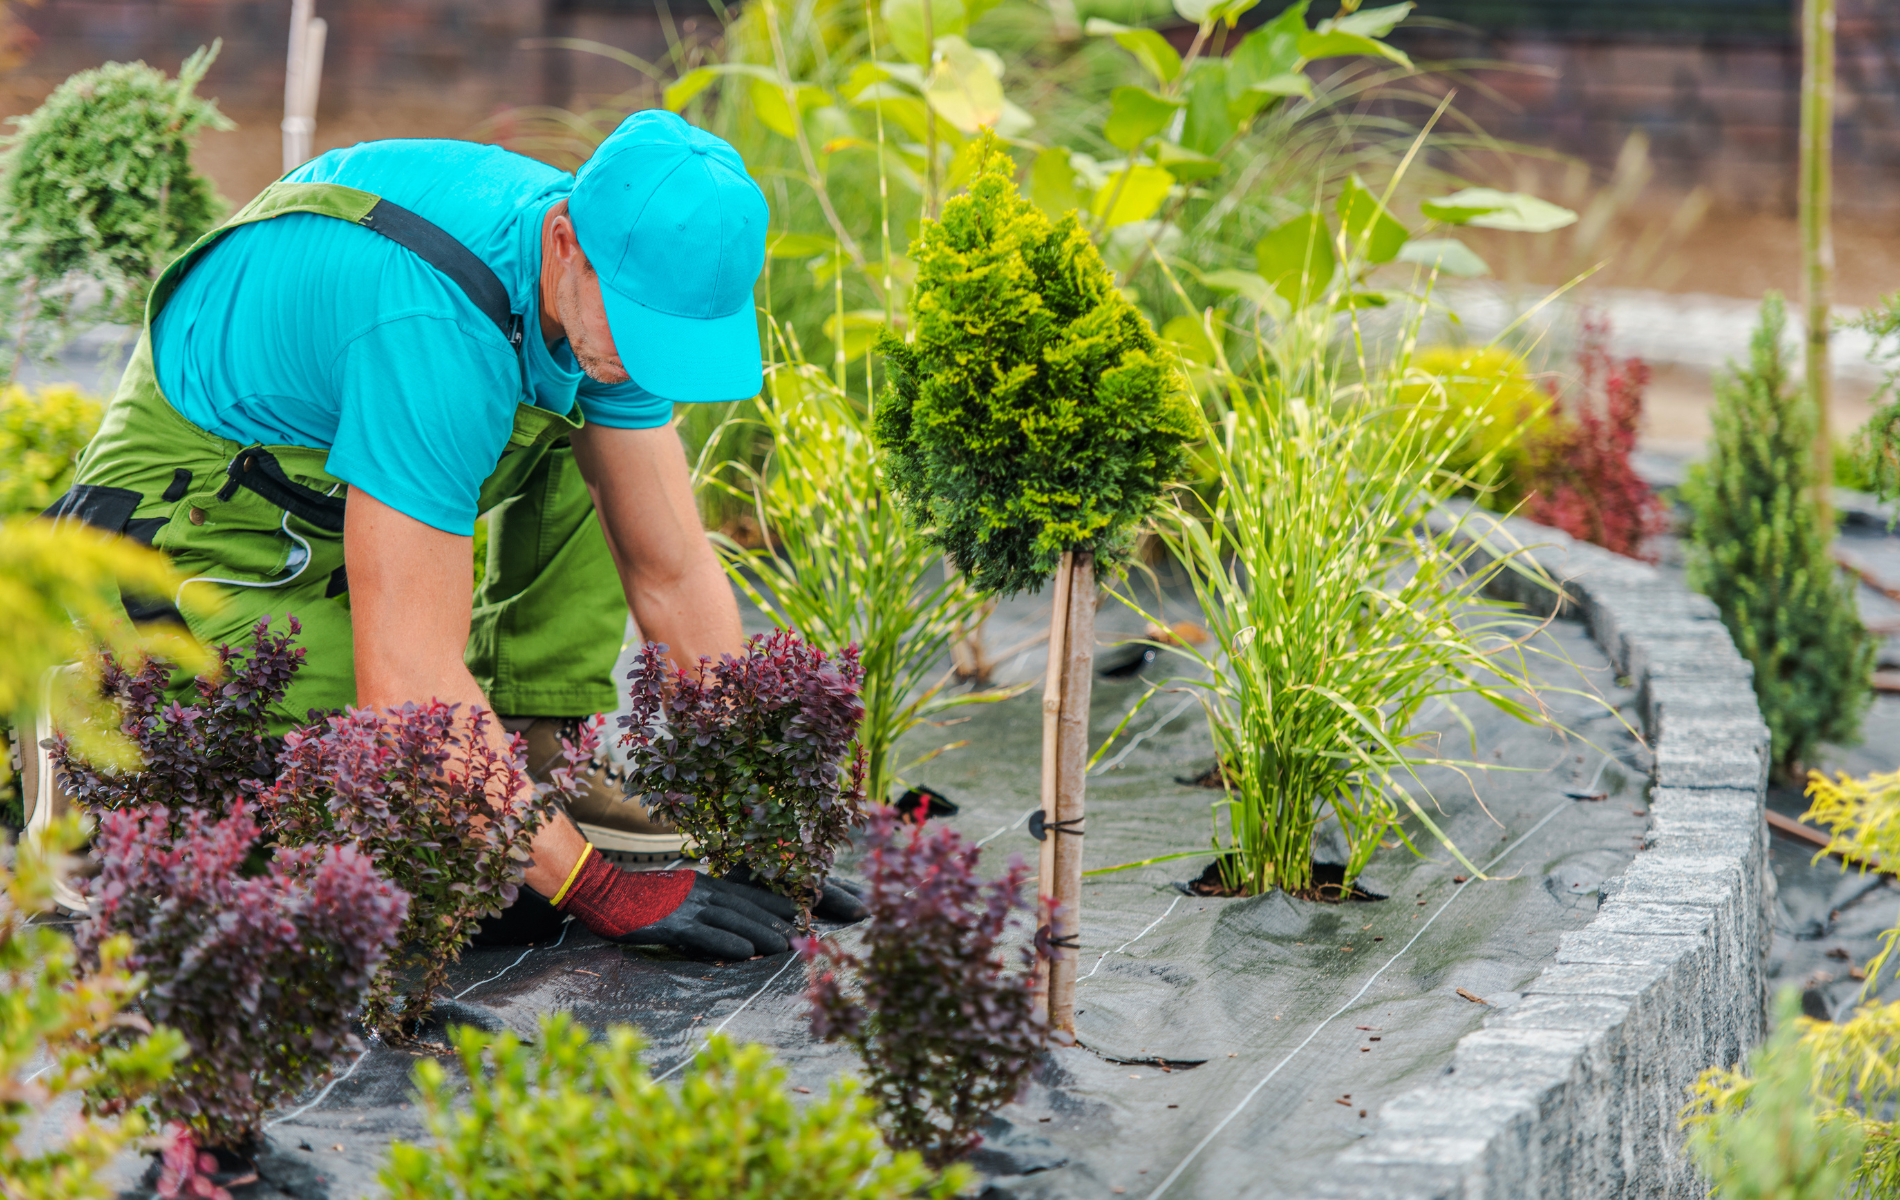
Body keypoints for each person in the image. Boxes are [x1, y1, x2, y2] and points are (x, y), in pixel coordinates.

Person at [39, 110, 856, 957]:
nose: (648, 360)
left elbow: (674, 571)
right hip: (195, 517)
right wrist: (597, 889)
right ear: (566, 240)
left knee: (604, 444)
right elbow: (408, 679)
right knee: (381, 865)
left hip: (333, 476)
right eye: (640, 326)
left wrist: (761, 823)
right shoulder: (433, 326)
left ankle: (537, 745)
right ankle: (85, 712)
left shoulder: (602, 292)